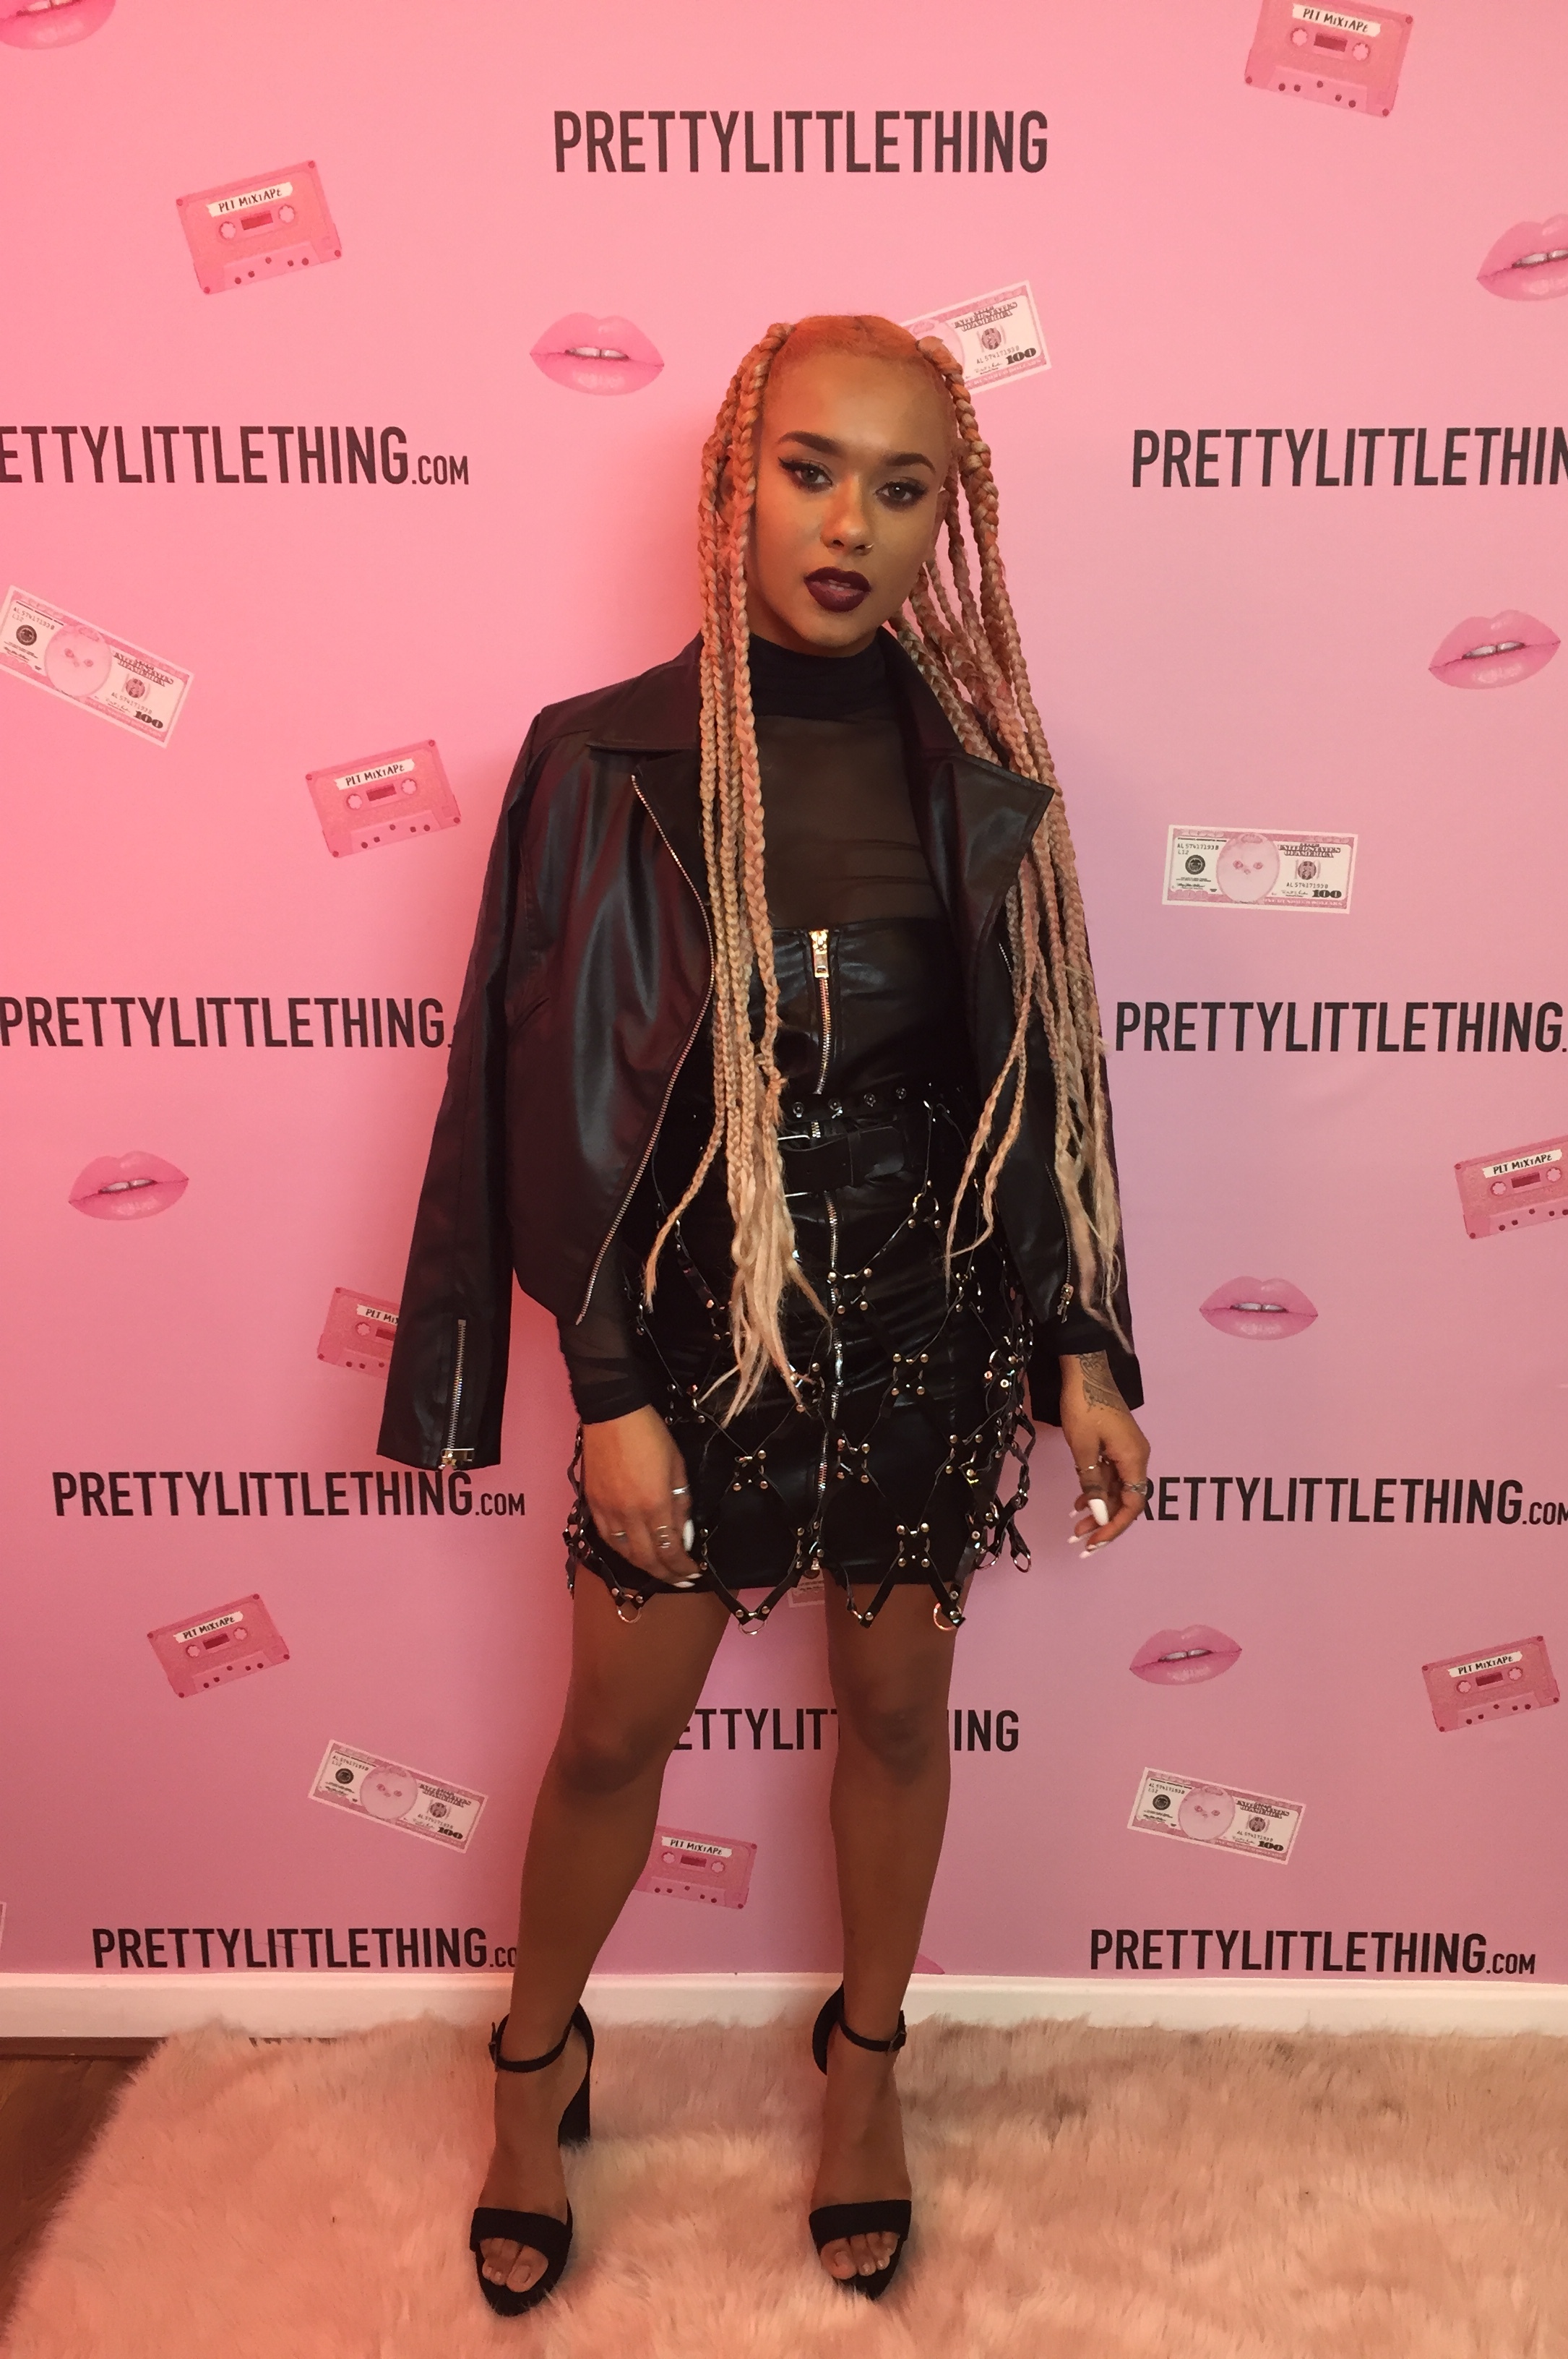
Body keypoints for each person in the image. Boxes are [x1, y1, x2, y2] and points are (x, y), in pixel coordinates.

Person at [378, 313, 1151, 2316]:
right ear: (738, 486)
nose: (849, 524)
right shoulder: (598, 757)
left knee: (894, 1713)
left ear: (947, 520)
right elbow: (550, 1097)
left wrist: (1080, 1342)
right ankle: (536, 2065)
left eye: (902, 488)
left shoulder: (980, 773)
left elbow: (1035, 1087)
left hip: (922, 1328)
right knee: (609, 1734)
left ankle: (866, 2063)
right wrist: (608, 1389)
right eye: (812, 471)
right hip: (692, 1335)